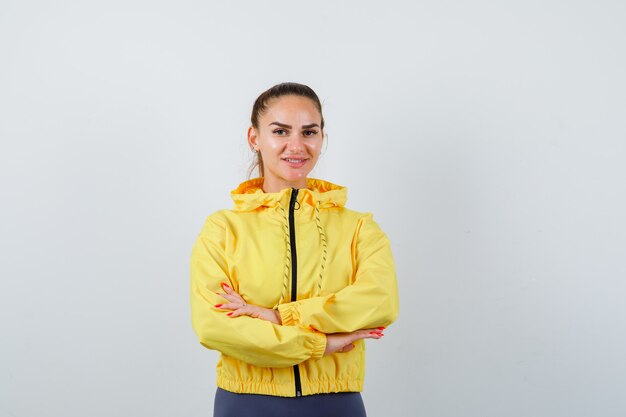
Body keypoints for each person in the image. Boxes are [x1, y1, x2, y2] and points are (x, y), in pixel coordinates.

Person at [190, 82, 399, 417]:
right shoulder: (223, 229)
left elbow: (380, 302)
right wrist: (320, 344)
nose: (296, 146)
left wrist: (279, 316)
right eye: (280, 131)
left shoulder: (359, 228)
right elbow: (215, 326)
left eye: (309, 132)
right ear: (254, 138)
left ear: (322, 139)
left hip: (335, 403)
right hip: (246, 404)